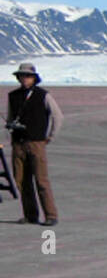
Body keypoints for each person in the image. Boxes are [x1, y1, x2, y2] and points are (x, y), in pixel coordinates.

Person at [6, 62, 63, 225]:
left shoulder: (43, 95)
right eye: (22, 76)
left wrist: (50, 137)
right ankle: (31, 215)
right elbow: (10, 117)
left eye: (28, 76)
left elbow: (58, 117)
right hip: (18, 144)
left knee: (41, 180)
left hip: (36, 143)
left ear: (34, 78)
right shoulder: (13, 96)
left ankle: (51, 215)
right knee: (22, 180)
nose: (24, 79)